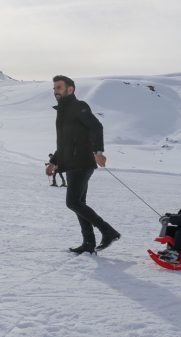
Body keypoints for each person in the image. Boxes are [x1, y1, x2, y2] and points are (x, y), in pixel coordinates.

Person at [45, 75, 121, 255]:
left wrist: (98, 153)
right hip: (72, 163)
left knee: (72, 202)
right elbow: (64, 143)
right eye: (54, 88)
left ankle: (108, 231)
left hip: (82, 162)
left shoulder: (79, 107)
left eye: (59, 87)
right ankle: (88, 243)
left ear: (70, 89)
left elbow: (96, 127)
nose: (56, 91)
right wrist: (54, 161)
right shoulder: (63, 111)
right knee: (79, 203)